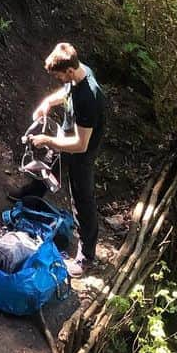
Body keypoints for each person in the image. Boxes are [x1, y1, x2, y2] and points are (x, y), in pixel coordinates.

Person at [26, 41, 107, 276]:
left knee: (82, 200)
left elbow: (81, 145)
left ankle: (86, 257)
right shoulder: (79, 73)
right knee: (48, 165)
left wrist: (46, 139)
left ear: (69, 70)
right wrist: (47, 103)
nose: (59, 80)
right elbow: (67, 91)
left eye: (60, 76)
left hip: (82, 152)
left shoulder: (90, 98)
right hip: (68, 133)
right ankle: (31, 196)